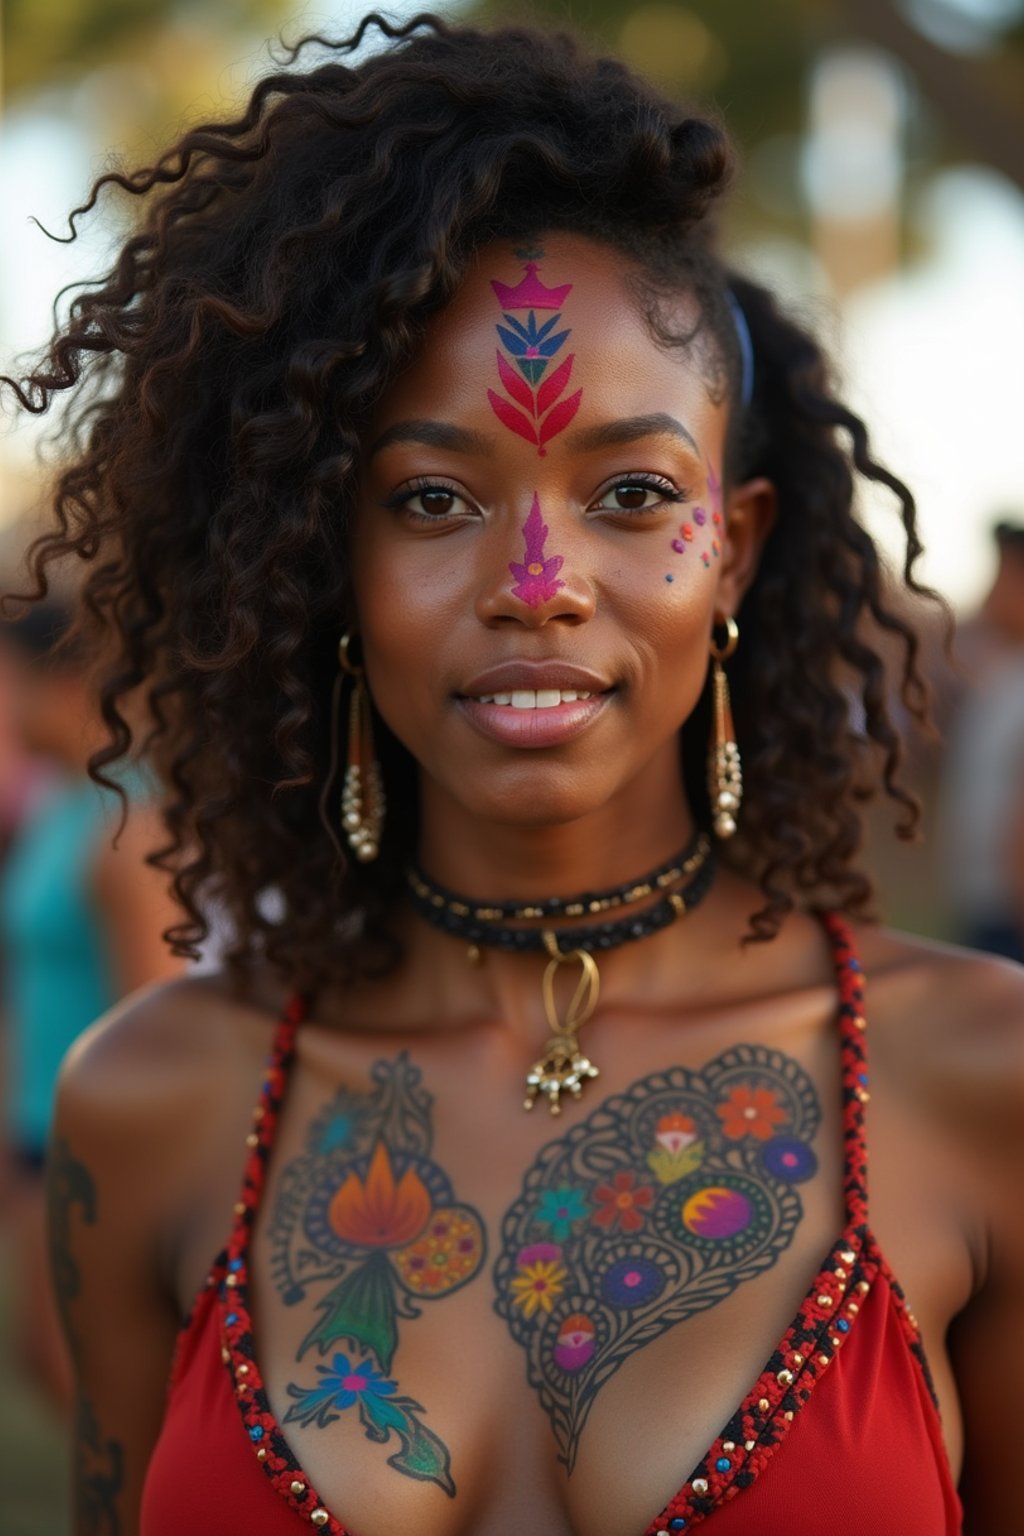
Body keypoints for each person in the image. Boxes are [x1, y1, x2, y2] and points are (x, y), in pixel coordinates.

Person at [2, 16, 1021, 1534]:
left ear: (731, 545)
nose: (537, 580)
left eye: (629, 493)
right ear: (321, 556)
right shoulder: (150, 1101)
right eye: (430, 496)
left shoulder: (985, 1079)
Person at [0, 598, 184, 1412]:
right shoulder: (58, 806)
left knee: (101, 1392)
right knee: (53, 1370)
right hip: (41, 1137)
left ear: (67, 683)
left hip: (90, 1153)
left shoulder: (128, 822)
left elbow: (160, 1025)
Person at [940, 520, 1024, 962]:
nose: (992, 593)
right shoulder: (1005, 676)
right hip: (986, 911)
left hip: (1012, 921)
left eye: (1003, 576)